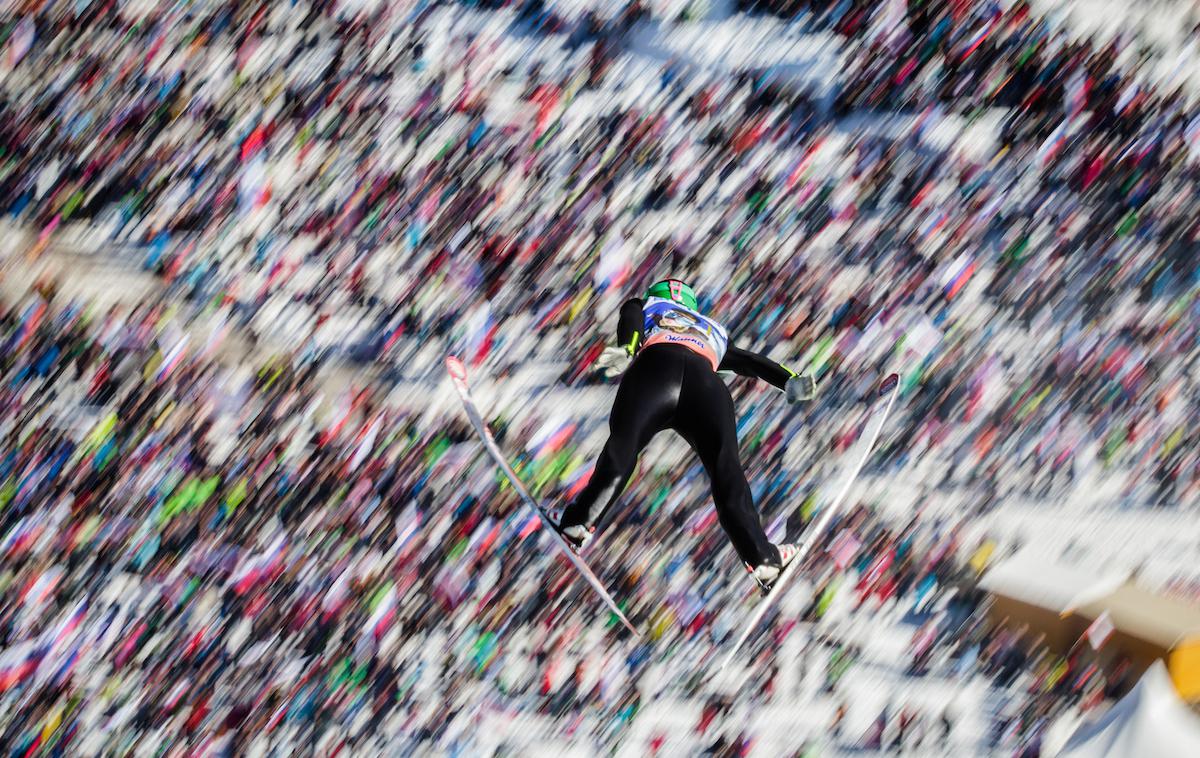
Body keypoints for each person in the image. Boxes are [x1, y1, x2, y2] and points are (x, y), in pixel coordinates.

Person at [553, 278, 817, 589]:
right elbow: (748, 361)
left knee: (625, 445)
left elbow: (632, 318)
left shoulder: (648, 304)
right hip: (705, 383)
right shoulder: (710, 327)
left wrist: (627, 346)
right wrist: (789, 379)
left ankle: (580, 521)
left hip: (656, 369)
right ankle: (762, 557)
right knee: (726, 467)